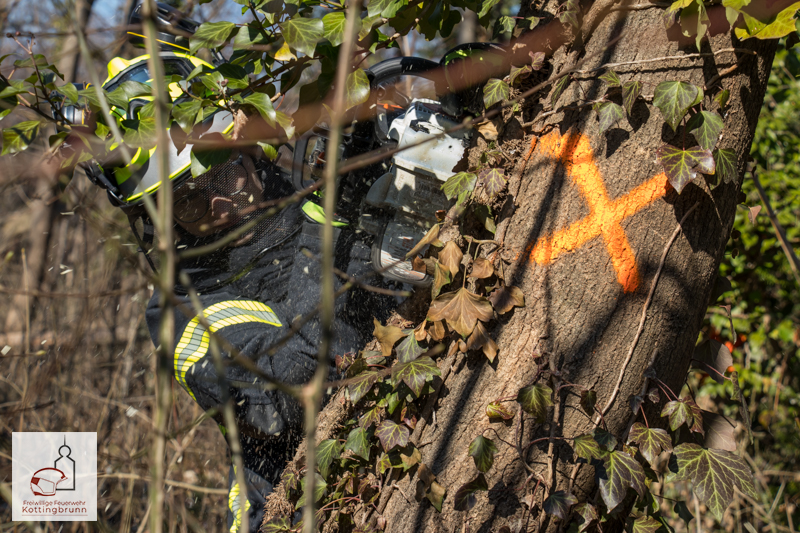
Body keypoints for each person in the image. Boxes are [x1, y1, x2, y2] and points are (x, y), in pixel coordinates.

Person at [64, 4, 399, 531]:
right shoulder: (184, 316)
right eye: (190, 202)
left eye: (223, 176)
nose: (221, 205)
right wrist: (327, 215)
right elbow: (292, 387)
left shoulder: (305, 196)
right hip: (298, 509)